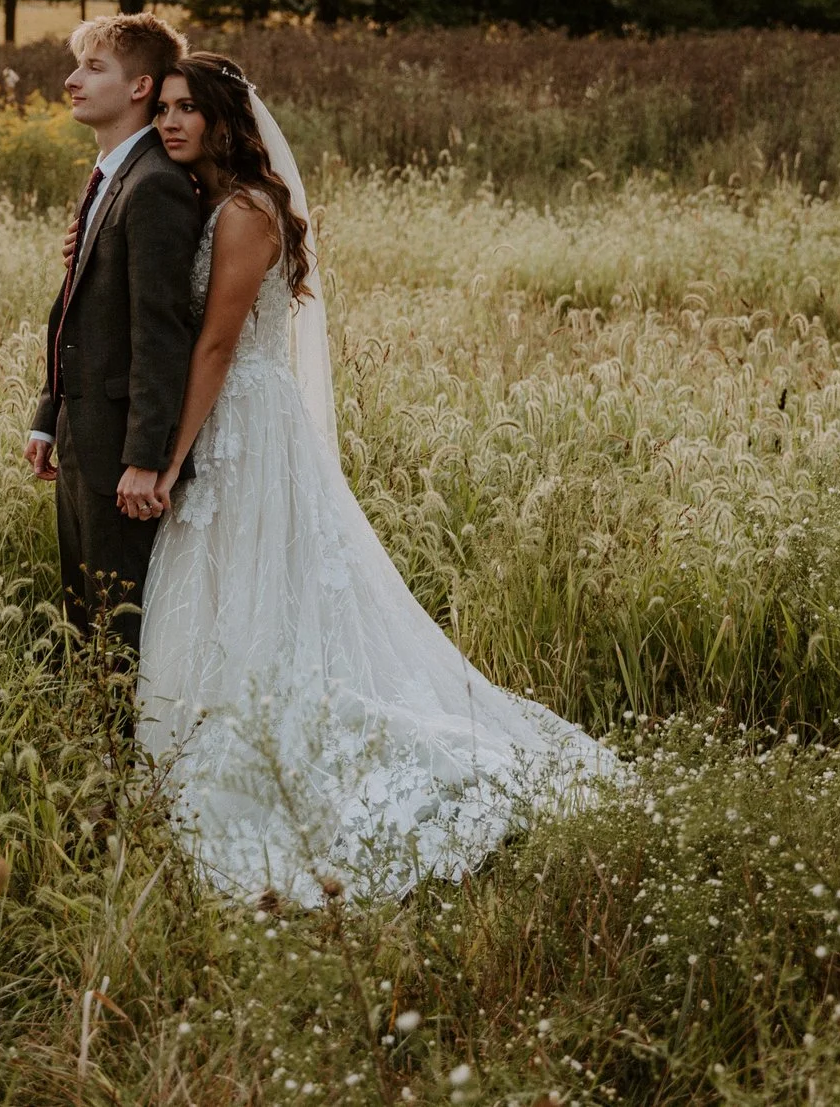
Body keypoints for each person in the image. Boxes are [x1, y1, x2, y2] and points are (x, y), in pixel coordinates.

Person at [131, 51, 629, 905]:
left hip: (244, 418)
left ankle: (275, 761)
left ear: (222, 119)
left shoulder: (248, 211)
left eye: (186, 109)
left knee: (256, 588)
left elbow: (216, 344)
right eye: (164, 108)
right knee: (224, 583)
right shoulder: (208, 200)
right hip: (229, 413)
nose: (170, 121)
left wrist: (170, 457)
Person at [25, 14, 203, 668]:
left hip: (122, 453)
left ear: (139, 87)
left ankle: (120, 760)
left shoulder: (155, 185)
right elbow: (75, 300)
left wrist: (144, 459)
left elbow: (162, 336)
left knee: (117, 627)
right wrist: (50, 417)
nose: (72, 80)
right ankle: (97, 751)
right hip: (82, 433)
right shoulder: (110, 173)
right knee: (85, 616)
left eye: (94, 67)